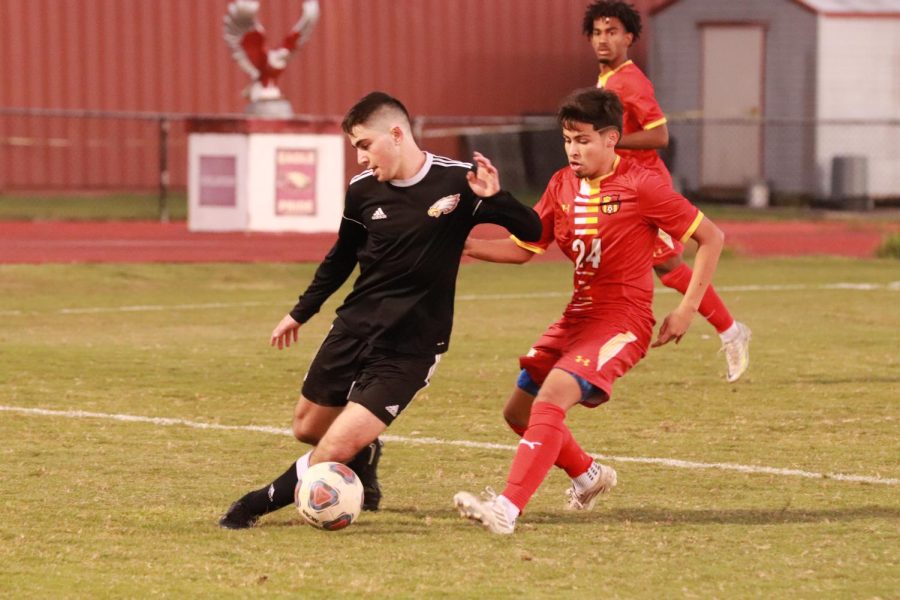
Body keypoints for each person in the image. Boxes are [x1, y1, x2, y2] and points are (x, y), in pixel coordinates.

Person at [219, 91, 542, 529]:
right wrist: (300, 313)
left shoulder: (460, 181)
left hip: (410, 348)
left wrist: (498, 198)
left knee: (331, 451)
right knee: (307, 428)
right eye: (355, 148)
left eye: (364, 145)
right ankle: (366, 451)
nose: (360, 158)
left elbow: (533, 230)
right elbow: (341, 257)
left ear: (396, 134)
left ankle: (251, 506)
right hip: (354, 327)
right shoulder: (362, 190)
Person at [453, 87, 726, 534]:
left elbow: (712, 237)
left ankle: (506, 508)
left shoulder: (642, 186)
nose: (573, 149)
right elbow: (526, 248)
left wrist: (687, 309)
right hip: (577, 318)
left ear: (611, 139)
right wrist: (462, 244)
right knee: (517, 414)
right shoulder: (561, 184)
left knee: (551, 398)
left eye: (582, 140)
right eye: (567, 139)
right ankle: (588, 476)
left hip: (623, 322)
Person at [585, 0, 751, 382]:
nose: (603, 39)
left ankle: (729, 331)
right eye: (597, 32)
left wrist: (611, 141)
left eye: (612, 32)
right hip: (622, 183)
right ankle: (728, 331)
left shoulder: (631, 80)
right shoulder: (607, 79)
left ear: (629, 37)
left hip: (646, 186)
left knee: (667, 266)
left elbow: (660, 135)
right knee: (633, 263)